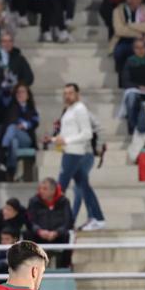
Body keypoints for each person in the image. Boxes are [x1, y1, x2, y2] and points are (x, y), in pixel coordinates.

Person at [56, 83, 105, 231]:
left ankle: (70, 220)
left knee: (74, 187)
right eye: (65, 93)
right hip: (72, 150)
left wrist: (98, 148)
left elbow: (96, 129)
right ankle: (93, 218)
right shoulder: (68, 111)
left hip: (84, 152)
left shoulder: (81, 110)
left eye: (70, 93)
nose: (67, 96)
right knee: (81, 184)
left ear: (77, 94)